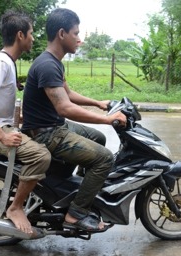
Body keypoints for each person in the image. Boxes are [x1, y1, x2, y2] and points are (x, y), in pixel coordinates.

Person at [21, 8, 127, 232]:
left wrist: (98, 103)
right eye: (75, 33)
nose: (79, 39)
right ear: (62, 34)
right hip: (47, 134)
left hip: (54, 126)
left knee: (97, 138)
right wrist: (107, 119)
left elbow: (67, 94)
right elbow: (64, 107)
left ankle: (79, 190)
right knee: (105, 159)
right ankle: (75, 214)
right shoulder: (48, 65)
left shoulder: (54, 61)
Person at [0, 10, 51, 235]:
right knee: (40, 155)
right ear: (20, 35)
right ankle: (15, 208)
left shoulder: (8, 62)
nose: (33, 38)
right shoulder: (1, 63)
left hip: (4, 127)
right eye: (31, 33)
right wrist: (2, 136)